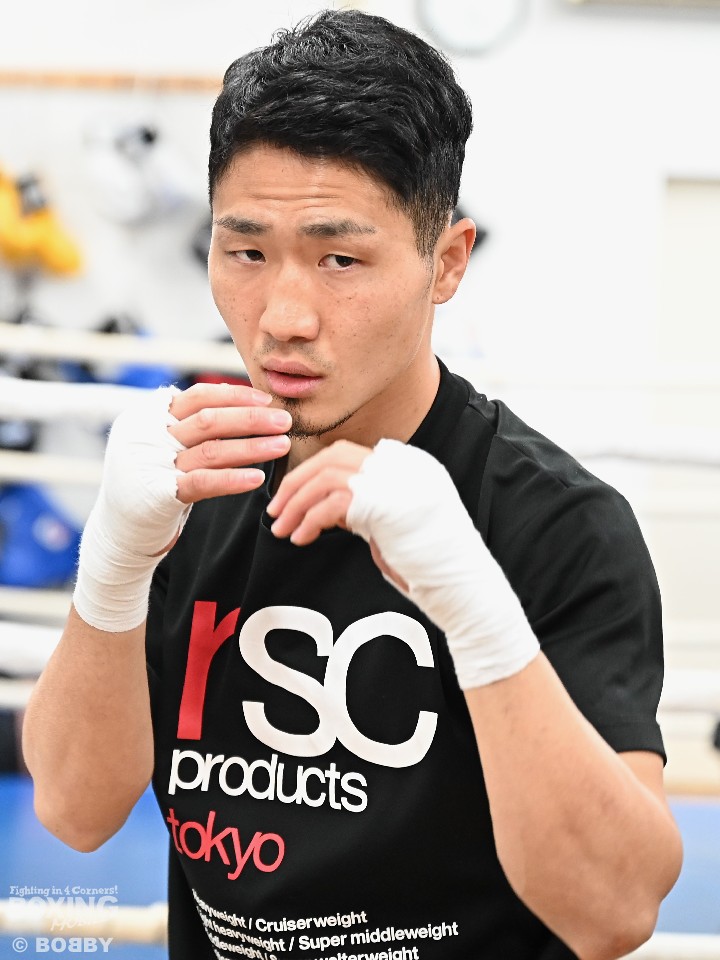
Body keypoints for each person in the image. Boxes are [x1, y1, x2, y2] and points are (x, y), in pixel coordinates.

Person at [23, 10, 682, 960]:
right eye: (246, 252)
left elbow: (614, 910)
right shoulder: (191, 485)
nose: (284, 317)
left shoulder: (557, 523)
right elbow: (74, 810)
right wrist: (115, 560)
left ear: (446, 263)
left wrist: (477, 612)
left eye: (341, 258)